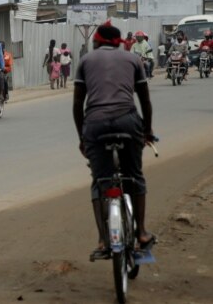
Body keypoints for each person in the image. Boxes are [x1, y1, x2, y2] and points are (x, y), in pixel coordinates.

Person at [73, 20, 156, 260]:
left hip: (95, 125)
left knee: (100, 181)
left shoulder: (86, 60)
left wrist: (83, 138)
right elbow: (145, 101)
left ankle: (102, 240)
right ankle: (140, 232)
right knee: (135, 176)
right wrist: (147, 131)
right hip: (128, 121)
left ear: (98, 41)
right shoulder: (133, 59)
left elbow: (78, 104)